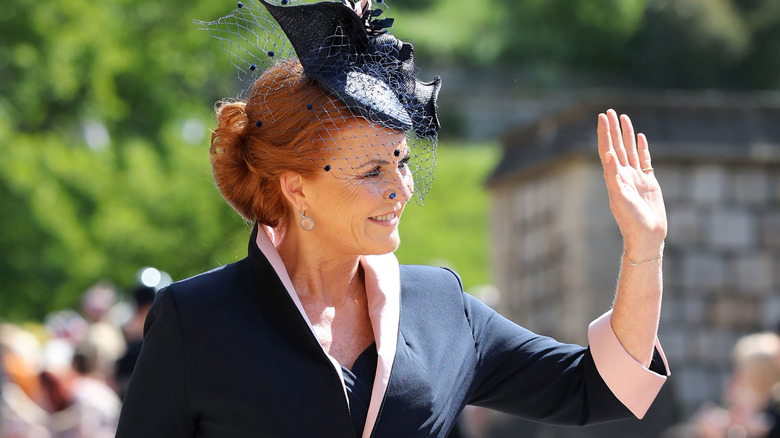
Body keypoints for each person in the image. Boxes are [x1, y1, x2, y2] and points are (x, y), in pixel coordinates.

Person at [115, 0, 670, 436]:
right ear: (296, 188)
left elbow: (603, 389)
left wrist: (643, 251)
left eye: (400, 161)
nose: (399, 187)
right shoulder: (196, 320)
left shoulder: (440, 307)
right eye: (371, 170)